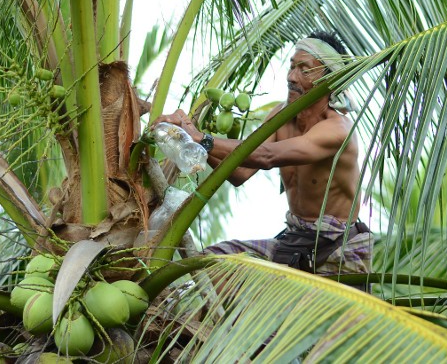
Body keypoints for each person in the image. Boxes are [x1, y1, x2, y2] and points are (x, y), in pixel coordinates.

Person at [155, 30, 371, 276]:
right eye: (292, 67)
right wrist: (193, 140)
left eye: (305, 69)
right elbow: (239, 171)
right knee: (211, 263)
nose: (291, 77)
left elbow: (266, 155)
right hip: (297, 242)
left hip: (339, 251)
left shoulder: (337, 129)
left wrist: (201, 137)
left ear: (330, 80)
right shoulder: (282, 115)